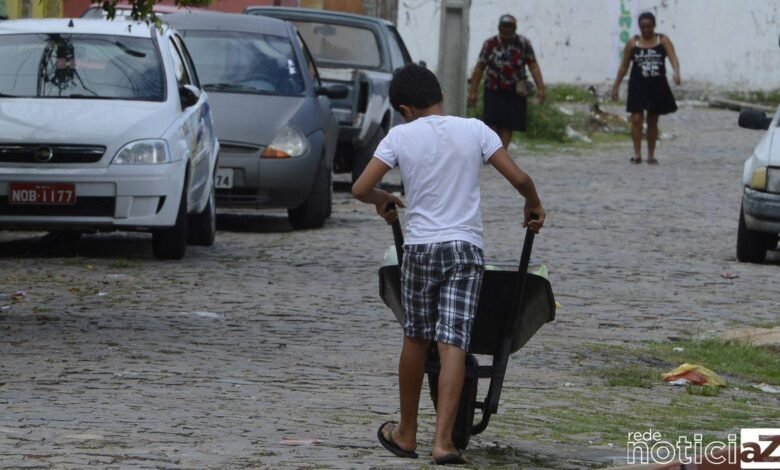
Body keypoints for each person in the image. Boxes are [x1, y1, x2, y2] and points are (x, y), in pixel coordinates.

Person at [352, 64, 545, 465]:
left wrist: (382, 199)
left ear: (405, 109)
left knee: (415, 338)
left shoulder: (399, 136)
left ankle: (406, 434)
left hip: (420, 249)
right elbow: (520, 178)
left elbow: (360, 187)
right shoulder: (475, 130)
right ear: (439, 96)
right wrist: (533, 203)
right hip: (464, 249)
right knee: (453, 342)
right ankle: (443, 443)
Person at [611, 11, 680, 164]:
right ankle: (637, 154)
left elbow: (673, 58)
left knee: (652, 120)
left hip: (657, 86)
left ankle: (651, 155)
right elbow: (624, 66)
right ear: (639, 27)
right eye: (643, 27)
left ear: (654, 26)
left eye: (649, 27)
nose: (646, 30)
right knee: (636, 119)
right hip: (638, 86)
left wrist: (676, 72)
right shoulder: (633, 43)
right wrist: (616, 86)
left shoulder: (663, 40)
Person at [467, 13, 545, 149]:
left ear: (514, 29)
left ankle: (501, 152)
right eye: (504, 28)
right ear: (499, 28)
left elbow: (533, 66)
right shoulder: (490, 44)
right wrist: (473, 92)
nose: (507, 32)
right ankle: (491, 150)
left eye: (510, 28)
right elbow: (480, 68)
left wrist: (541, 89)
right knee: (491, 123)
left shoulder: (524, 44)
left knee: (508, 125)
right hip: (493, 90)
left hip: (515, 92)